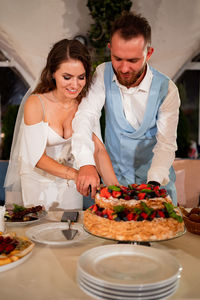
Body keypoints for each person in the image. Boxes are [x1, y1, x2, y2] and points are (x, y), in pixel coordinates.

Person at [72, 11, 180, 205]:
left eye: (133, 60)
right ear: (109, 49)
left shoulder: (167, 89)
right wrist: (85, 162)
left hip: (155, 184)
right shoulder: (102, 73)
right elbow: (85, 116)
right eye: (117, 58)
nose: (123, 68)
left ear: (149, 53)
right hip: (114, 185)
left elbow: (166, 144)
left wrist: (153, 184)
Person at [4, 39, 118, 211]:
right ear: (52, 73)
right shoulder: (36, 103)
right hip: (38, 185)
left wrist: (116, 191)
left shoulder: (85, 105)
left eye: (81, 77)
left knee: (70, 231)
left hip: (70, 187)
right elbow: (37, 158)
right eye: (67, 77)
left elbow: (99, 150)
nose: (75, 85)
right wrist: (78, 174)